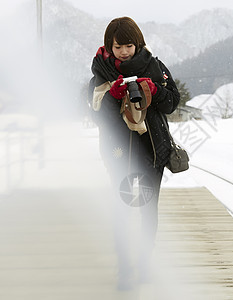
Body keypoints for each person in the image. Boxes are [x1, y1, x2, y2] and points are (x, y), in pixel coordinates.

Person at [88, 16, 180, 290]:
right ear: (109, 47)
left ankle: (144, 264)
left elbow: (172, 102)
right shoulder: (101, 72)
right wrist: (112, 97)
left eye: (128, 45)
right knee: (122, 210)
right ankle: (125, 269)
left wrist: (155, 91)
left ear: (137, 43)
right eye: (118, 47)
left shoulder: (154, 66)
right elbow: (91, 113)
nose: (124, 52)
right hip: (119, 153)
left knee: (148, 210)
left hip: (152, 151)